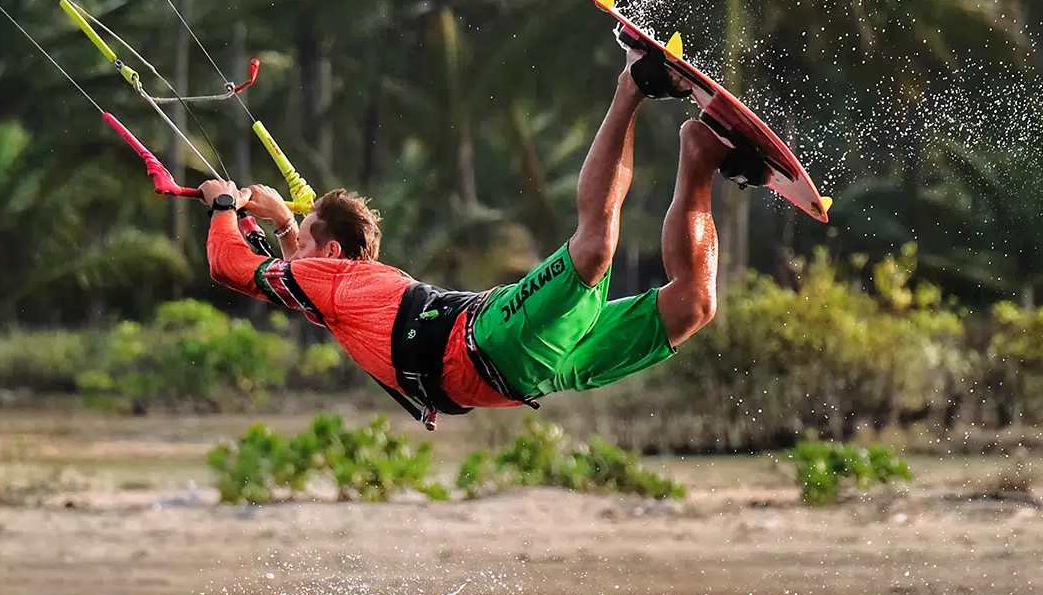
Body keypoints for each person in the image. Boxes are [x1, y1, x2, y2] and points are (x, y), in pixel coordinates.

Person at [201, 39, 756, 429]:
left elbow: (233, 266)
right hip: (535, 375)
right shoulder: (338, 293)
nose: (292, 255)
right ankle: (701, 153)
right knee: (694, 306)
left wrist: (225, 205)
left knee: (594, 249)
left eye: (302, 246)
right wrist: (283, 221)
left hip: (488, 337)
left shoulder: (338, 284)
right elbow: (295, 274)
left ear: (331, 253)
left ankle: (634, 81)